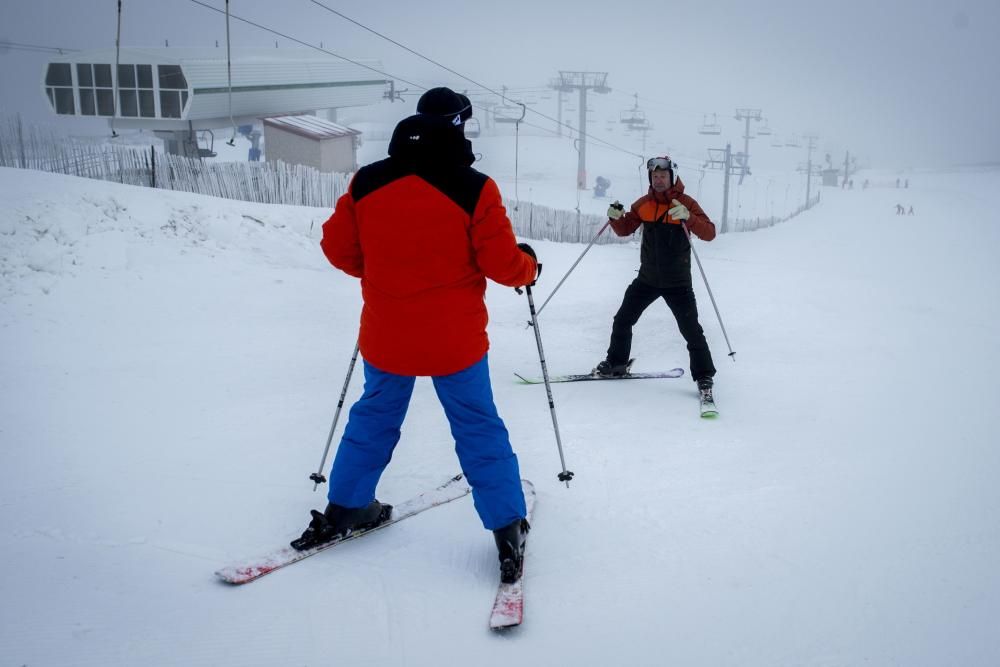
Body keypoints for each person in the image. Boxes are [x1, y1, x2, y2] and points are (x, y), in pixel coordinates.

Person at [295, 87, 538, 585]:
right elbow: (503, 265)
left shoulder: (368, 181)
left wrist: (382, 273)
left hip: (387, 337)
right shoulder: (474, 187)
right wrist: (530, 267)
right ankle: (507, 528)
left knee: (373, 418)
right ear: (456, 128)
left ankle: (346, 507)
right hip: (455, 344)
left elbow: (338, 248)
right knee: (477, 427)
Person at [594, 156, 718, 404]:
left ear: (672, 177)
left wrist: (688, 218)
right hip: (647, 278)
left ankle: (704, 377)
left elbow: (710, 233)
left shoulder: (686, 203)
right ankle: (617, 363)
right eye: (654, 176)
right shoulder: (644, 204)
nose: (659, 180)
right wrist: (616, 217)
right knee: (623, 320)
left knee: (691, 331)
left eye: (663, 176)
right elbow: (625, 229)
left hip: (678, 283)